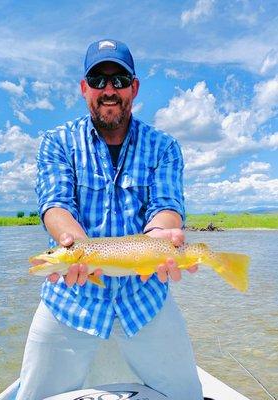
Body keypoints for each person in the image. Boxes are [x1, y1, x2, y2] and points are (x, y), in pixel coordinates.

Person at [16, 39, 203, 400]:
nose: (109, 90)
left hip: (145, 298)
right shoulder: (57, 142)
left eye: (119, 79)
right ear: (84, 88)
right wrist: (72, 246)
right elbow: (56, 204)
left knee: (187, 395)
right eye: (98, 80)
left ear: (134, 87)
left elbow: (165, 206)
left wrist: (164, 235)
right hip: (70, 301)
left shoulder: (164, 146)